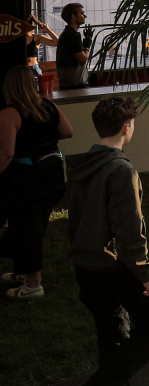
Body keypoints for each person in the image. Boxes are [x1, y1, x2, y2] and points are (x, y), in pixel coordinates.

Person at [67, 97, 149, 382]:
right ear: (126, 128)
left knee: (112, 335)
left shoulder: (81, 165)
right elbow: (129, 228)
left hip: (85, 266)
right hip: (114, 266)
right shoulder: (121, 170)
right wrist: (145, 273)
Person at [0, 66, 72, 298]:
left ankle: (33, 284)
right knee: (33, 225)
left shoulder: (9, 114)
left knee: (27, 228)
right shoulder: (49, 106)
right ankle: (23, 270)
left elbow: (7, 153)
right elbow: (67, 132)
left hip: (26, 179)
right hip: (53, 174)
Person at [56, 3, 90, 89]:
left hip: (68, 83)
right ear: (73, 16)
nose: (84, 16)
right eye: (82, 13)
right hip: (74, 84)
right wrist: (87, 46)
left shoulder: (66, 34)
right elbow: (83, 59)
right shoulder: (72, 35)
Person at [22, 15, 58, 82]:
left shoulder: (36, 38)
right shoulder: (14, 38)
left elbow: (57, 42)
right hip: (20, 71)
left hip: (33, 69)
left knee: (37, 91)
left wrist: (48, 30)